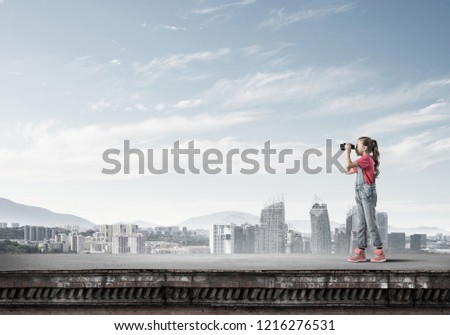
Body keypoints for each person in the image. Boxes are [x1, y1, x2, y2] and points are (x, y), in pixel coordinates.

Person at [344, 136, 386, 263]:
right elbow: (348, 170)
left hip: (367, 194)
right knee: (360, 224)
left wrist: (347, 151)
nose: (355, 148)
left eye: (357, 145)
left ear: (365, 147)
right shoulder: (362, 161)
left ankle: (380, 252)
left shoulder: (366, 159)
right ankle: (361, 252)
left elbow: (348, 165)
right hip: (360, 194)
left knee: (370, 223)